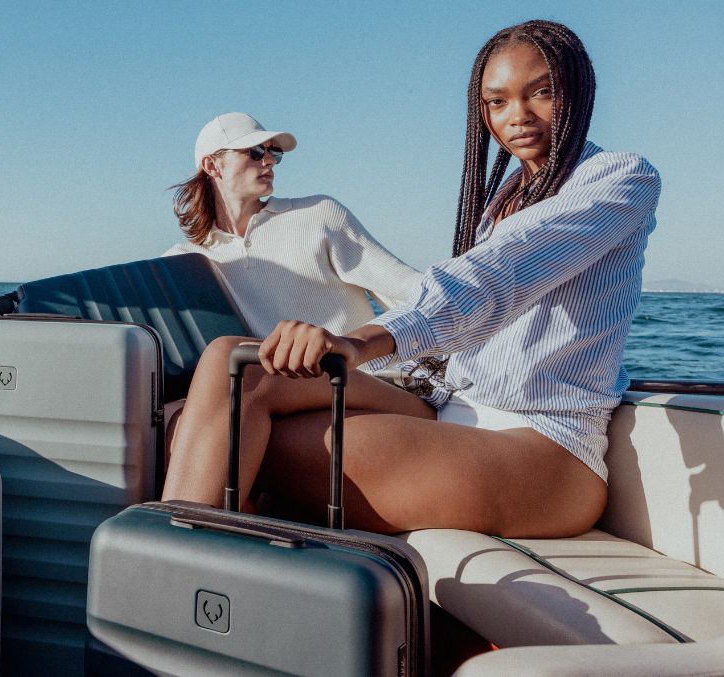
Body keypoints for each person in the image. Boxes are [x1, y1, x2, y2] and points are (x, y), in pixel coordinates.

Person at [163, 20, 661, 539]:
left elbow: (502, 273)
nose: (518, 117)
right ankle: (191, 573)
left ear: (577, 92)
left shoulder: (620, 178)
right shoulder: (505, 196)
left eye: (541, 93)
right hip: (451, 407)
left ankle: (175, 587)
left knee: (239, 441)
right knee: (231, 364)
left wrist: (358, 342)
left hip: (542, 449)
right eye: (497, 103)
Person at [166, 112, 421, 338]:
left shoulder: (319, 214)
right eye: (255, 151)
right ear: (212, 166)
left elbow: (410, 290)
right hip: (273, 387)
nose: (269, 161)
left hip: (356, 380)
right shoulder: (188, 261)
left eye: (273, 152)